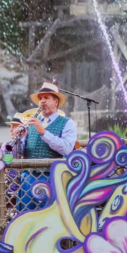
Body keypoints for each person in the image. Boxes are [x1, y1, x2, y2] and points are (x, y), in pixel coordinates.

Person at [13, 82, 78, 211]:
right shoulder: (30, 123)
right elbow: (18, 153)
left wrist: (43, 132)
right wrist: (17, 140)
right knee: (25, 217)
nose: (42, 101)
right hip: (27, 179)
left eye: (46, 98)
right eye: (40, 98)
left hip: (51, 179)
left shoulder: (68, 124)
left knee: (47, 217)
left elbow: (67, 149)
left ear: (56, 102)